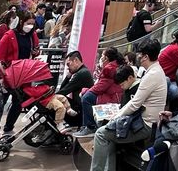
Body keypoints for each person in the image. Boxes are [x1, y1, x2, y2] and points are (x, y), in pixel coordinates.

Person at [90, 39, 167, 171]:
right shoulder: (155, 71)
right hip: (144, 121)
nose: (138, 57)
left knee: (101, 134)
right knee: (108, 133)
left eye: (140, 54)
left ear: (146, 57)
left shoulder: (152, 75)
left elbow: (134, 104)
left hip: (145, 125)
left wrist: (114, 118)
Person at [0, 11, 40, 143]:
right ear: (21, 22)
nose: (30, 26)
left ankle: (8, 128)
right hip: (7, 75)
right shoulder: (9, 35)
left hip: (23, 75)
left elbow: (36, 49)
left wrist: (35, 52)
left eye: (32, 24)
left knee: (18, 103)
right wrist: (3, 74)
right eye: (28, 23)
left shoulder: (32, 35)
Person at [75, 47, 125, 136]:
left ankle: (90, 126)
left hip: (113, 98)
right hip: (113, 94)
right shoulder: (113, 66)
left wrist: (85, 91)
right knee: (87, 95)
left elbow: (100, 87)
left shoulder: (109, 69)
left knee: (86, 98)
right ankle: (87, 125)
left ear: (106, 58)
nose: (101, 58)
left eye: (102, 55)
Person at [53, 51, 94, 127]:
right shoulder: (82, 71)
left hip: (80, 114)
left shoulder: (82, 73)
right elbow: (63, 90)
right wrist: (69, 75)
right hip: (79, 110)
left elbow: (62, 92)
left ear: (76, 60)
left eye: (68, 64)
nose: (68, 67)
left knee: (53, 102)